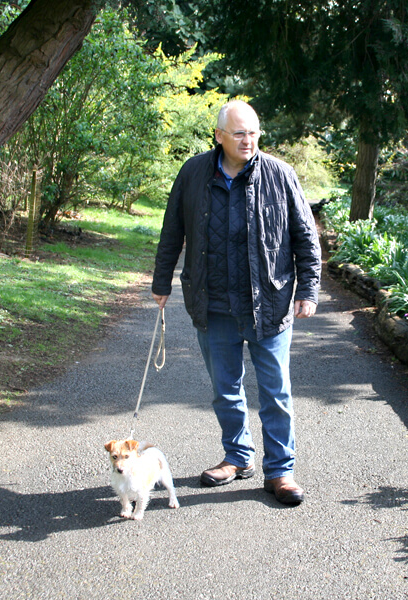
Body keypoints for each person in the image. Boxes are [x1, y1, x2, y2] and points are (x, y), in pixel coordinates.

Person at [151, 100, 322, 505]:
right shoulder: (194, 172)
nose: (248, 140)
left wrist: (308, 290)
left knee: (275, 392)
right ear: (219, 136)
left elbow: (304, 235)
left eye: (254, 132)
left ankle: (280, 471)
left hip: (270, 303)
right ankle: (238, 457)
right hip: (213, 304)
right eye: (240, 133)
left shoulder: (280, 174)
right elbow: (172, 228)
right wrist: (162, 281)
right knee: (224, 389)